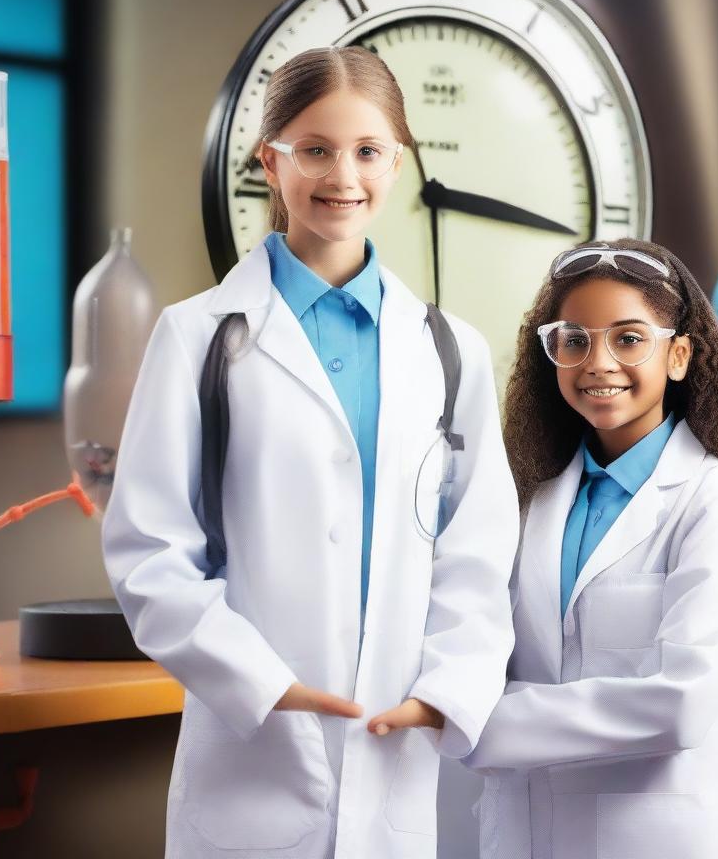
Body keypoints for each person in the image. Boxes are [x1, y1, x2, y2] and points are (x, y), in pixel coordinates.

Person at [101, 46, 519, 858]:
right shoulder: (198, 338)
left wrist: (445, 691)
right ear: (270, 160)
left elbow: (478, 547)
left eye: (368, 151)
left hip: (398, 745)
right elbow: (148, 551)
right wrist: (264, 685)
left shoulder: (449, 349)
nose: (343, 175)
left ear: (397, 163)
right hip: (248, 750)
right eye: (315, 149)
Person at [462, 239, 718, 859]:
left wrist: (464, 719)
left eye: (627, 338)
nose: (597, 362)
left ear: (677, 356)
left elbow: (680, 704)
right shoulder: (523, 502)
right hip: (522, 832)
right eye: (573, 340)